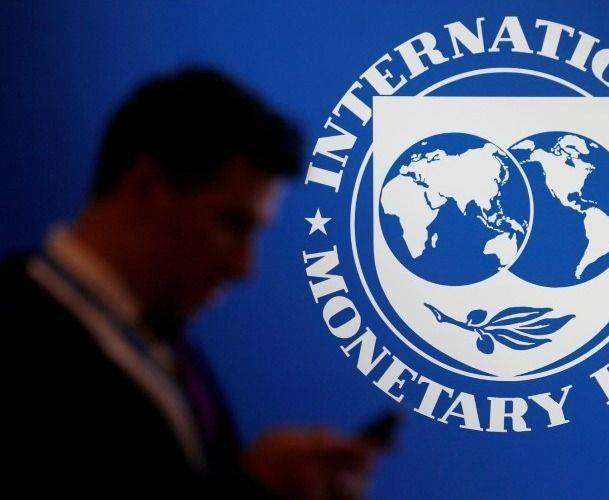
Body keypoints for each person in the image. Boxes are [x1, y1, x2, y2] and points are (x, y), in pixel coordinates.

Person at [2, 68, 382, 498]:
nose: (244, 267)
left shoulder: (164, 343)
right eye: (232, 224)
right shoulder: (21, 338)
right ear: (145, 189)